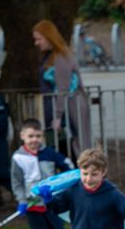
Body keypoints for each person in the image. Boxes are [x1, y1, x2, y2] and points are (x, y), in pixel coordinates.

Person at [10, 118, 74, 229]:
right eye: (31, 136)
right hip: (32, 206)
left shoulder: (50, 154)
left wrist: (64, 185)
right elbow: (16, 182)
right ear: (22, 136)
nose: (34, 140)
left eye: (38, 136)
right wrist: (22, 200)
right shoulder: (18, 158)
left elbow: (68, 167)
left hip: (51, 203)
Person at [32, 19, 91, 157]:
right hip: (61, 106)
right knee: (62, 144)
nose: (37, 43)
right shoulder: (51, 56)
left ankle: (86, 173)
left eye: (39, 39)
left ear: (48, 37)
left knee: (79, 143)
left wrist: (58, 116)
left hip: (70, 106)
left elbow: (63, 88)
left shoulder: (61, 56)